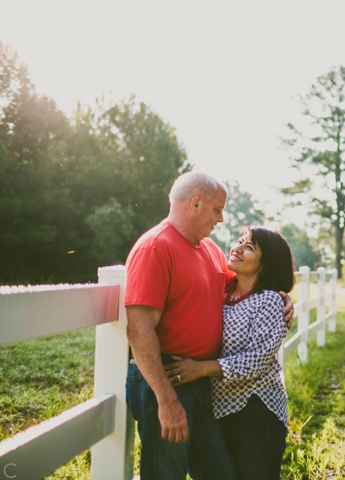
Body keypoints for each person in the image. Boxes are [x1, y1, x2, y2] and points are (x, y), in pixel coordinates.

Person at [124, 172, 294, 480]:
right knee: (166, 472)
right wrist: (166, 399)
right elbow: (139, 329)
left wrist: (282, 298)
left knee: (221, 473)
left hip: (203, 384)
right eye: (217, 210)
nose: (222, 219)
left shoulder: (211, 251)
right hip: (167, 378)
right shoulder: (155, 247)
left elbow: (248, 289)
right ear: (196, 203)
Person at [164, 226, 294, 480]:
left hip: (256, 411)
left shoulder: (268, 301)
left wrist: (200, 369)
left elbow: (256, 360)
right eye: (240, 241)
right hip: (218, 408)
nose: (238, 248)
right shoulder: (221, 294)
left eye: (250, 247)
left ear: (265, 265)